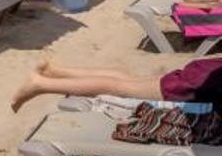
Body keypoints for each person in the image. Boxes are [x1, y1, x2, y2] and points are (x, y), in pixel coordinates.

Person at [11, 57, 222, 113]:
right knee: (120, 88)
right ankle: (41, 83)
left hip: (205, 73)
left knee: (128, 81)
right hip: (203, 85)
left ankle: (56, 73)